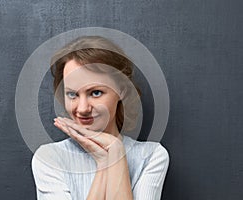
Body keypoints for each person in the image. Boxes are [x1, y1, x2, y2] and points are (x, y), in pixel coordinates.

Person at [31, 36, 169, 200]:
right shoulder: (49, 159)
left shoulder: (151, 156)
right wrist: (105, 162)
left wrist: (116, 152)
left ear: (122, 90)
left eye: (95, 93)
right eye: (72, 94)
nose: (82, 109)